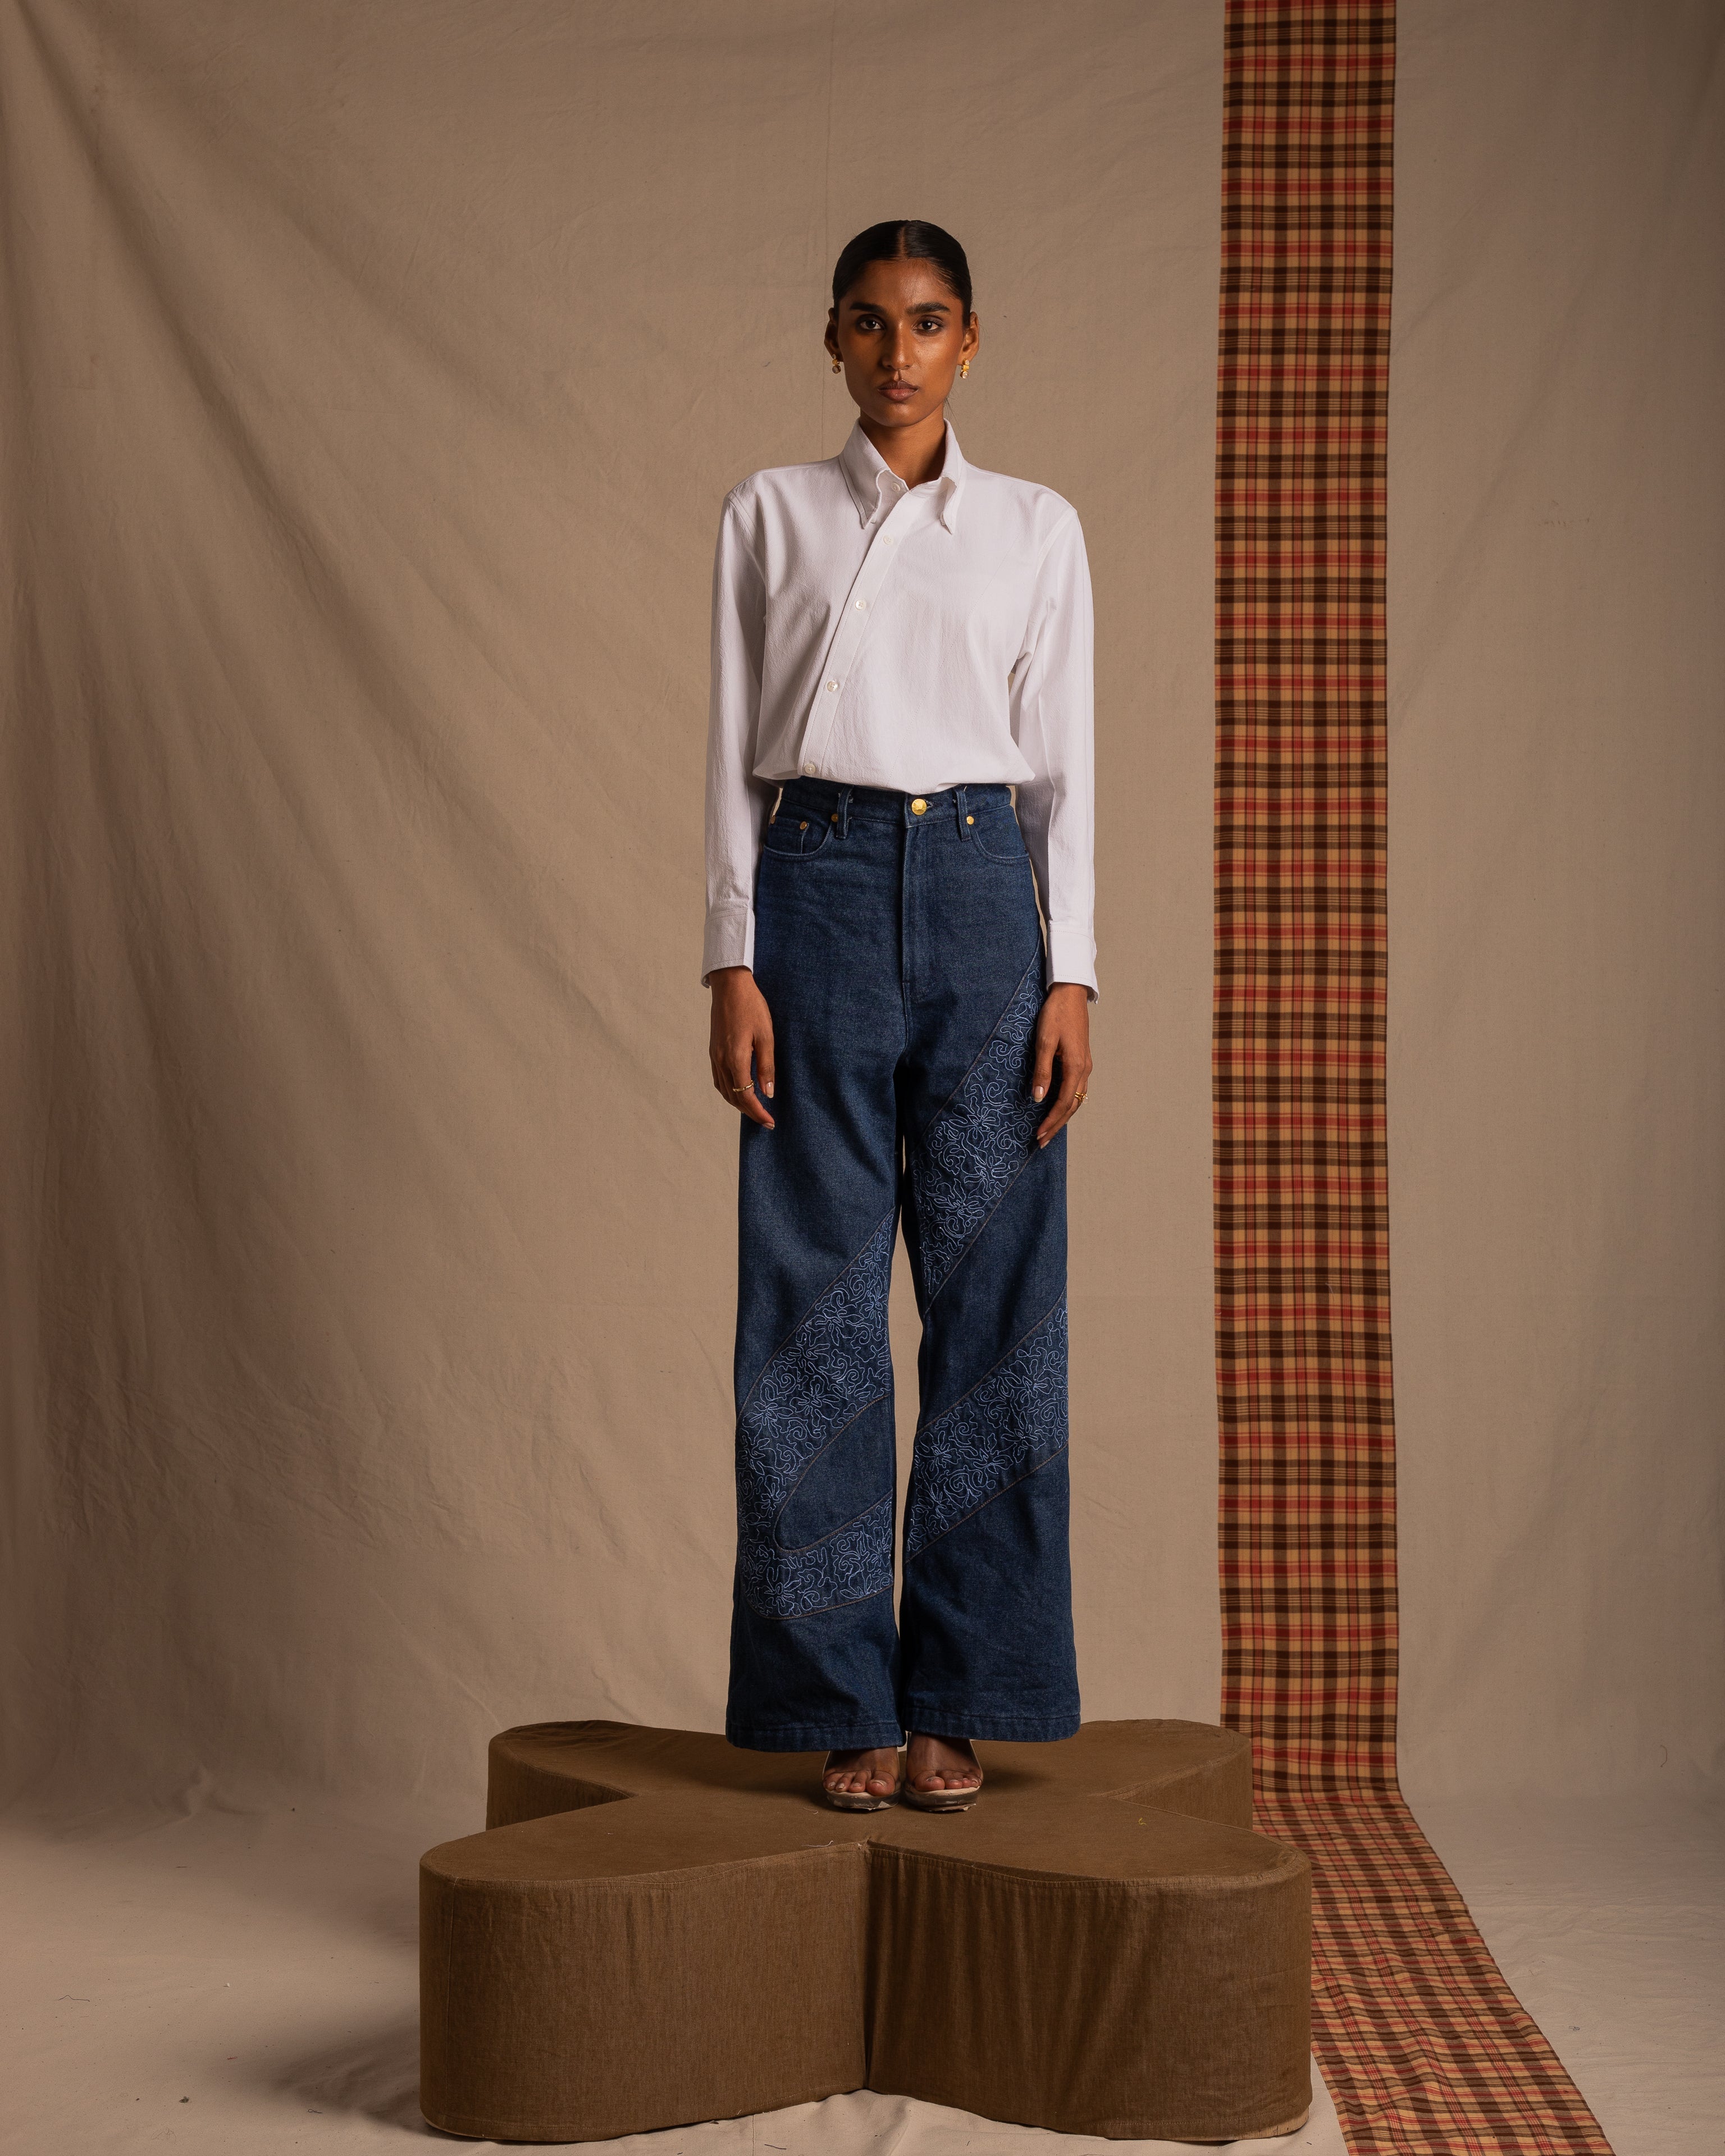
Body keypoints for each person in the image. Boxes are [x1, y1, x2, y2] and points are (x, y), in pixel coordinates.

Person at [702, 220, 1095, 1814]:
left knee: (997, 1303)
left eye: (926, 325)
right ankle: (832, 1698)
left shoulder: (1035, 527)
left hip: (991, 893)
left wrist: (1078, 972)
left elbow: (1064, 764)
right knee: (813, 1304)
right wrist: (731, 953)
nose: (896, 356)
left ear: (971, 341)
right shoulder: (771, 515)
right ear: (832, 342)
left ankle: (966, 1689)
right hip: (817, 886)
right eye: (867, 326)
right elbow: (732, 745)